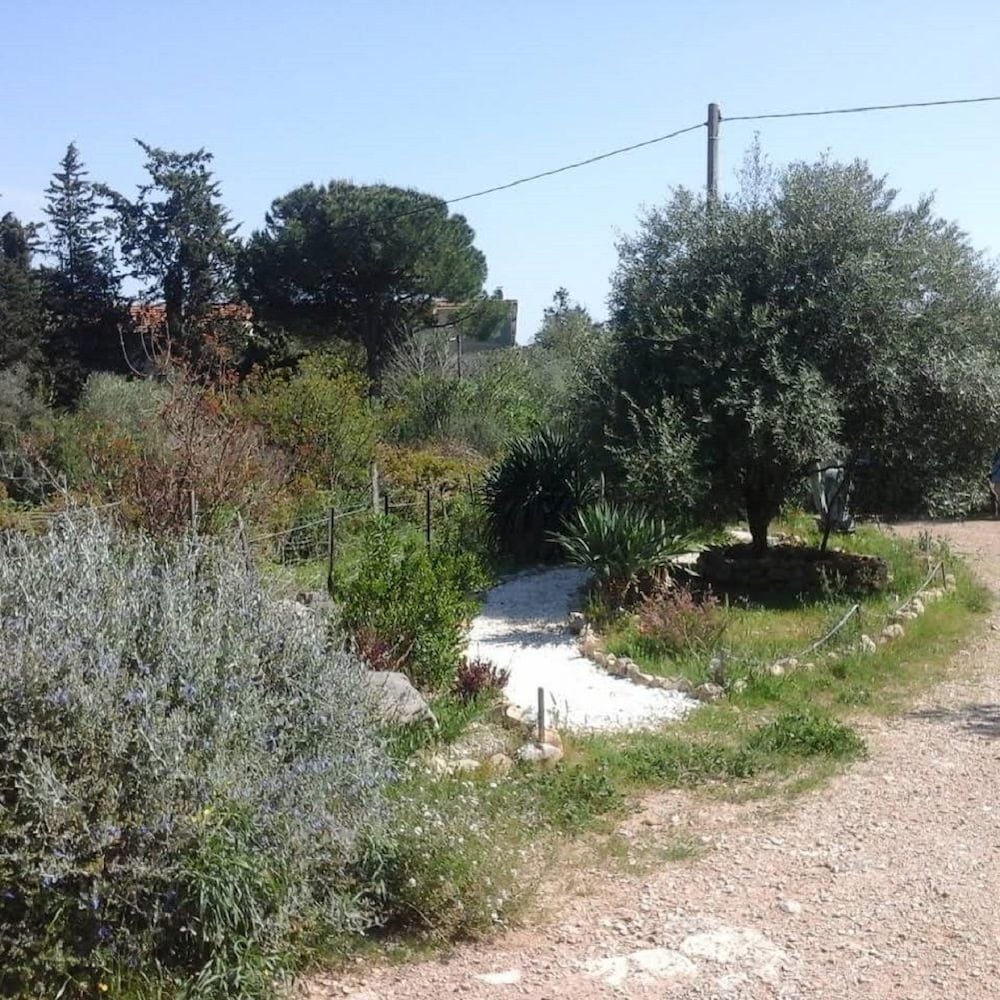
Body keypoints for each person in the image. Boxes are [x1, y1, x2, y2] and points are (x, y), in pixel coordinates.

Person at [987, 449, 1000, 517]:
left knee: (997, 497)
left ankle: (996, 513)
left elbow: (994, 468)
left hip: (997, 480)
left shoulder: (996, 455)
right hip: (997, 480)